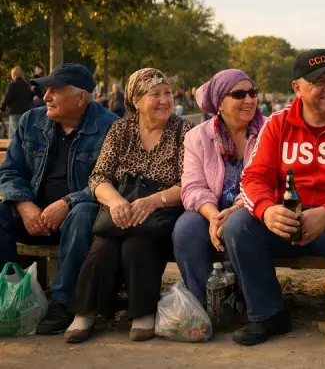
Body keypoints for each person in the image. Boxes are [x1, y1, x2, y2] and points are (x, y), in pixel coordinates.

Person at [223, 49, 325, 351]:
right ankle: (268, 313)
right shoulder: (278, 123)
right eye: (318, 82)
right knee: (238, 225)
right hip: (287, 221)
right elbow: (252, 178)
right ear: (297, 88)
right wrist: (266, 210)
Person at [65, 68, 194, 343]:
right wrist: (116, 202)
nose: (164, 100)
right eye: (155, 94)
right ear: (136, 99)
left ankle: (143, 312)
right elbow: (99, 177)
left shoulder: (184, 129)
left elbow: (190, 183)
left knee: (138, 244)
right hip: (121, 208)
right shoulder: (121, 129)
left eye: (168, 93)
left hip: (161, 210)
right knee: (104, 246)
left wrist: (153, 201)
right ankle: (85, 313)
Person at [0, 64, 117, 334]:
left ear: (81, 98)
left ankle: (63, 302)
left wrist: (67, 203)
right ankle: (10, 294)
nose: (46, 96)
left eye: (55, 90)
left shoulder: (110, 126)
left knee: (84, 212)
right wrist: (24, 205)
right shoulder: (31, 121)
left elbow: (111, 180)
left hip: (78, 223)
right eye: (46, 90)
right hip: (32, 218)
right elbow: (10, 171)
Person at [173, 69, 265, 302]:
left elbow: (270, 181)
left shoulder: (270, 130)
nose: (249, 100)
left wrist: (236, 210)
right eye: (239, 94)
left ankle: (247, 299)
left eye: (252, 92)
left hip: (255, 208)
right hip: (211, 209)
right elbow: (192, 186)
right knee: (186, 227)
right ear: (219, 104)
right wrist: (213, 215)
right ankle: (205, 304)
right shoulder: (197, 136)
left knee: (238, 224)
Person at [1, 66, 33, 138]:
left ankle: (16, 149)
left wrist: (2, 109)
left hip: (14, 113)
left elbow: (6, 98)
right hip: (26, 112)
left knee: (16, 136)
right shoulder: (27, 85)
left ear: (14, 74)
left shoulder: (12, 85)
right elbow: (31, 98)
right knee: (21, 133)